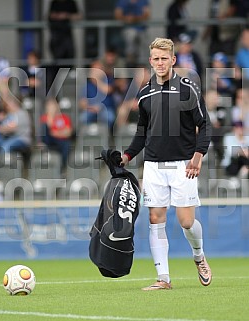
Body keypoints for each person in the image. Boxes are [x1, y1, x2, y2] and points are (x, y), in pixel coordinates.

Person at [120, 37, 212, 290]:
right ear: (150, 61)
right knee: (155, 218)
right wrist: (127, 155)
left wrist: (198, 155)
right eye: (156, 59)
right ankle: (164, 279)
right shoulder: (144, 93)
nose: (160, 63)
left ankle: (199, 256)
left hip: (184, 164)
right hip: (153, 165)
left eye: (164, 58)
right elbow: (142, 132)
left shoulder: (188, 88)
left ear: (173, 60)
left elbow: (204, 124)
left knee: (185, 221)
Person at [114, 0, 150, 66]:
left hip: (141, 30)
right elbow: (117, 15)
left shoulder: (143, 1)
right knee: (131, 34)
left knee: (143, 41)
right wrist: (126, 18)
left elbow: (147, 15)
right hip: (127, 29)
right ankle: (130, 61)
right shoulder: (122, 1)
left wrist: (135, 18)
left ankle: (142, 65)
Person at [40, 98, 73, 170]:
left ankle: (62, 167)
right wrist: (50, 115)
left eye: (53, 105)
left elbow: (68, 132)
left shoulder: (64, 117)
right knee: (44, 126)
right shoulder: (44, 118)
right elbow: (48, 130)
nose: (51, 107)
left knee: (67, 144)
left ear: (57, 106)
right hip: (49, 140)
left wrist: (56, 133)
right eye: (49, 105)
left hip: (61, 141)